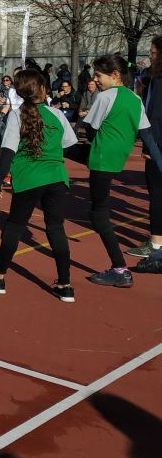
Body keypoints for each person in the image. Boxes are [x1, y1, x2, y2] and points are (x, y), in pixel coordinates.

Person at [0, 69, 78, 303]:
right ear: (42, 89)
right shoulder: (56, 115)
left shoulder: (17, 115)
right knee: (56, 228)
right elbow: (71, 148)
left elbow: (8, 149)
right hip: (56, 178)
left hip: (29, 178)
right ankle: (65, 285)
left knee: (14, 227)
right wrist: (98, 160)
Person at [82, 54, 162, 287]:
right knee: (96, 211)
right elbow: (148, 137)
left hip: (100, 159)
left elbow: (90, 132)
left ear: (115, 75)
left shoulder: (105, 97)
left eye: (98, 75)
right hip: (115, 160)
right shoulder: (134, 98)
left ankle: (120, 269)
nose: (95, 80)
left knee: (99, 215)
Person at [130, 36, 162, 265]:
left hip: (158, 143)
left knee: (157, 192)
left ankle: (156, 243)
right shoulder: (153, 79)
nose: (149, 55)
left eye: (153, 51)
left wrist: (151, 144)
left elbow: (157, 116)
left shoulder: (159, 80)